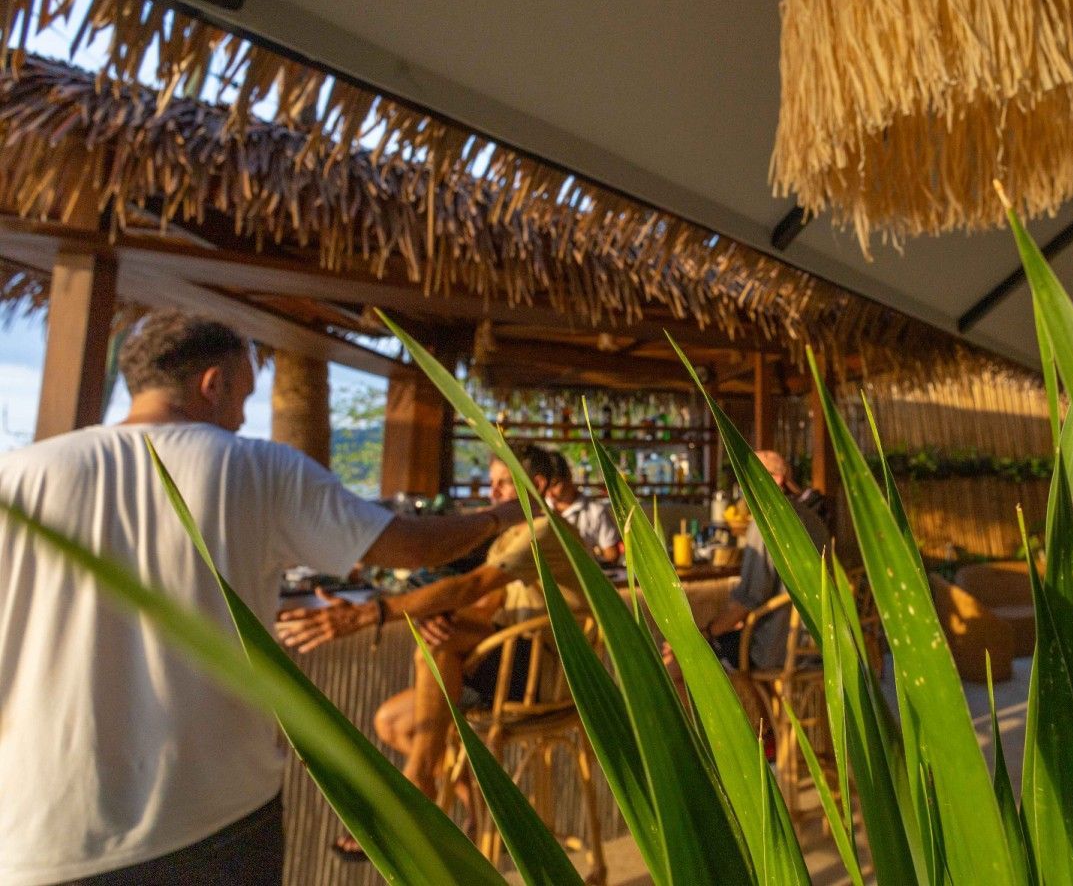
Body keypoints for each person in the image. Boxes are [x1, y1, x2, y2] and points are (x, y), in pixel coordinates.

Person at [0, 312, 529, 886]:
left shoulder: (19, 475)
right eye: (242, 397)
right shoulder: (256, 467)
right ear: (214, 383)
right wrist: (501, 514)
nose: (240, 417)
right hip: (215, 816)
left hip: (40, 833)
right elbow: (404, 545)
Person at [275, 444, 590, 858]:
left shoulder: (546, 532)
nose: (493, 494)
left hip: (549, 677)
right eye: (492, 483)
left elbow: (470, 586)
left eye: (503, 484)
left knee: (433, 650)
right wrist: (442, 617)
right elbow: (485, 606)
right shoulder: (510, 536)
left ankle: (418, 783)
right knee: (393, 723)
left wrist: (373, 613)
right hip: (513, 661)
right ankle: (477, 808)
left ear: (539, 486)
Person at [700, 450, 830, 672]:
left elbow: (750, 599)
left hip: (774, 647)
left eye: (748, 477)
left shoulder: (767, 519)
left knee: (686, 656)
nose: (743, 487)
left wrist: (706, 633)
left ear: (776, 479)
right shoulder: (812, 518)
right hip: (819, 643)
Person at [545, 449, 625, 562]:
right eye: (546, 486)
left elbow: (612, 554)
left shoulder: (595, 511)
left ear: (568, 476)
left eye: (554, 484)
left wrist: (589, 551)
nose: (549, 493)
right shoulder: (539, 509)